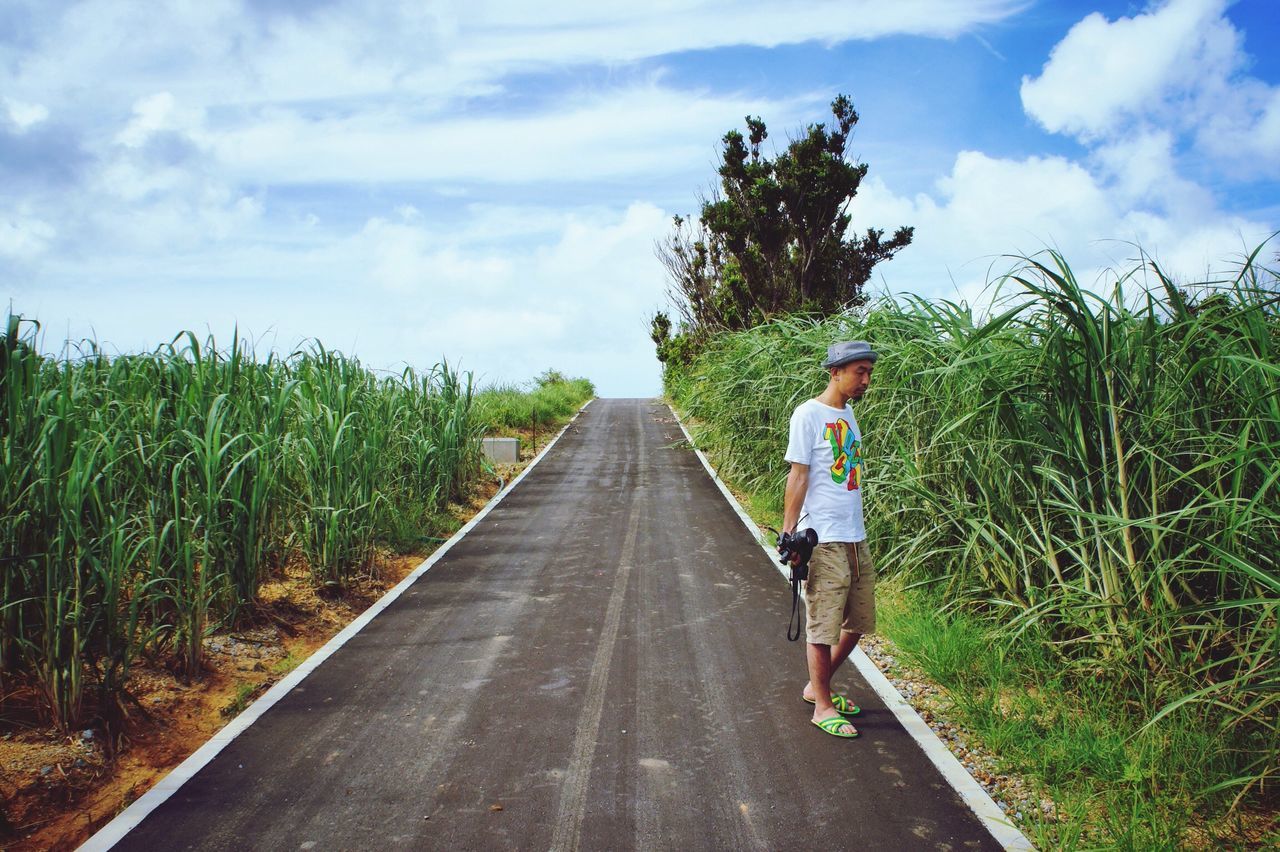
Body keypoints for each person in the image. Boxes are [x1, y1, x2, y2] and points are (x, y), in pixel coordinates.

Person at [782, 340, 877, 738]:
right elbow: (798, 475)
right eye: (860, 372)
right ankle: (822, 705)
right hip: (823, 537)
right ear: (835, 372)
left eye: (869, 373)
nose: (866, 380)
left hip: (855, 535)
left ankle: (815, 687)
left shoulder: (849, 414)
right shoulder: (808, 414)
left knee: (859, 622)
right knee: (823, 625)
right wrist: (789, 536)